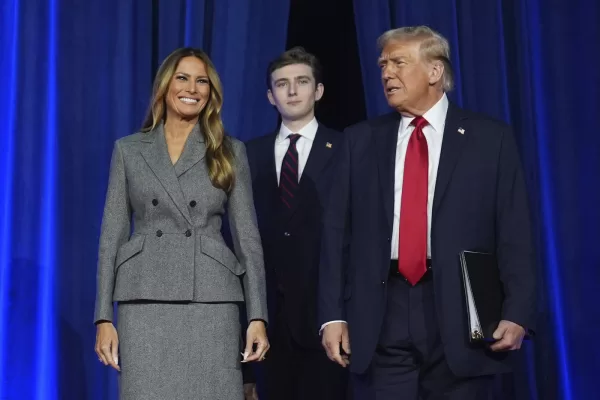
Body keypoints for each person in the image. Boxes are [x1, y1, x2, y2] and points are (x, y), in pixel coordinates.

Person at [319, 26, 535, 399]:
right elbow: (336, 233)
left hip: (462, 312)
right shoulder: (359, 140)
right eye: (383, 64)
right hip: (383, 309)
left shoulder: (490, 138)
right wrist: (332, 315)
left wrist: (518, 311)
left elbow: (514, 232)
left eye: (399, 62)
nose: (387, 73)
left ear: (435, 72)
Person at [93, 47, 269, 400]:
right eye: (183, 78)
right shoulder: (128, 150)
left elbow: (248, 239)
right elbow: (111, 236)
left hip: (211, 299)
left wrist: (258, 317)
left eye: (202, 81)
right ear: (165, 86)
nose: (193, 88)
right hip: (143, 300)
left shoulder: (229, 151)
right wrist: (102, 318)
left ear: (211, 92)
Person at [244, 47, 349, 399]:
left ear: (317, 91)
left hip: (327, 320)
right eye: (282, 84)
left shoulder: (348, 149)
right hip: (268, 323)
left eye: (302, 82)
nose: (292, 91)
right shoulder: (246, 154)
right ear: (270, 96)